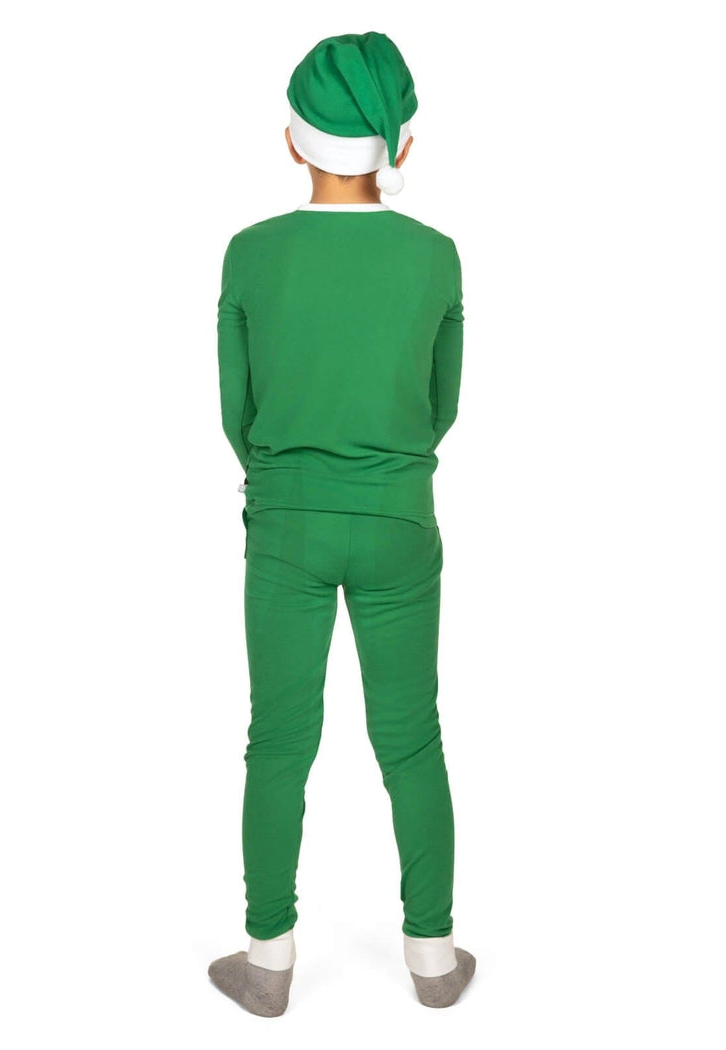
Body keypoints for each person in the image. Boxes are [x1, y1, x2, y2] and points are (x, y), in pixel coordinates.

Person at [208, 31, 475, 1015]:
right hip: (400, 520)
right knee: (412, 738)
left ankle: (267, 962)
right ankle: (434, 960)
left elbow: (235, 412)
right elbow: (442, 404)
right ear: (399, 146)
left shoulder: (250, 253)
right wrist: (382, 466)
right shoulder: (436, 256)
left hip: (285, 522)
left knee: (278, 739)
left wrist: (292, 478)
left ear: (294, 140)